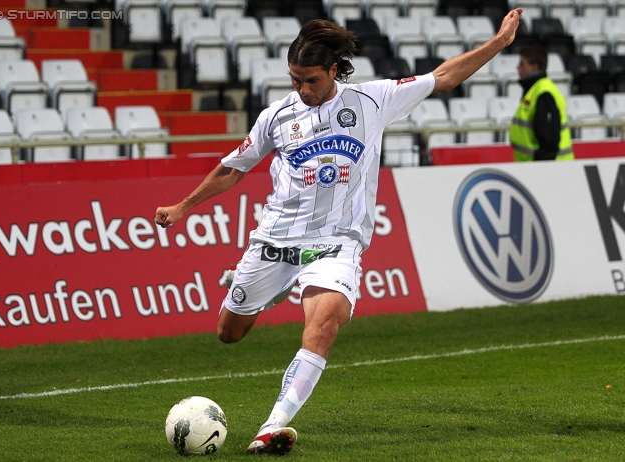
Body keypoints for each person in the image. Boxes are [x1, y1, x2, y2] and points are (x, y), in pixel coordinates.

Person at [155, 9, 523, 455]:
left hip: (337, 244)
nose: (302, 89)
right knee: (229, 333)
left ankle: (273, 426)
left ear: (333, 70)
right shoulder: (276, 117)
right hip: (276, 241)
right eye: (294, 80)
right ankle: (250, 283)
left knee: (324, 326)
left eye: (310, 80)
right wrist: (182, 207)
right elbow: (234, 168)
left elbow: (443, 76)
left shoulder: (373, 100)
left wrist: (499, 43)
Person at [510, 44, 575, 161]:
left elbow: (549, 141)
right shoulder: (535, 90)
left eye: (522, 64)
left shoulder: (543, 93)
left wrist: (540, 169)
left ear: (534, 67)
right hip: (539, 168)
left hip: (551, 169)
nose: (518, 68)